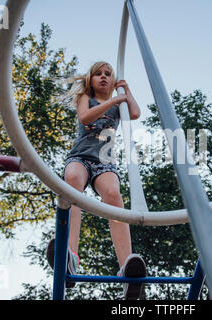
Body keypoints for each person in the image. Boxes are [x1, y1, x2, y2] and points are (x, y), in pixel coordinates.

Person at [46, 61, 146, 300]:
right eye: (98, 74)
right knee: (71, 183)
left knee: (113, 194)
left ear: (113, 81)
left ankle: (127, 269)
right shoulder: (86, 98)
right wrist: (114, 100)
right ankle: (70, 255)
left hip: (104, 162)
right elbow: (84, 118)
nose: (103, 77)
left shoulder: (119, 105)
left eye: (108, 74)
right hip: (80, 157)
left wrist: (126, 91)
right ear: (90, 80)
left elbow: (134, 113)